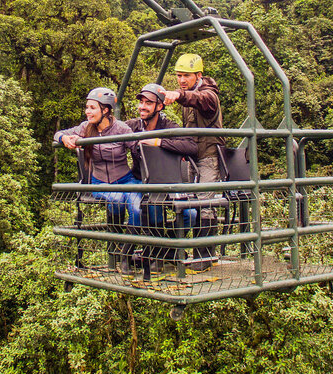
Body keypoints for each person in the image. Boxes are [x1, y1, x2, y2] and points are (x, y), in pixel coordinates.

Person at [54, 87, 144, 261]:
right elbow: (59, 133)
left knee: (136, 208)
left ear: (105, 110)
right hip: (100, 181)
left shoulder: (121, 129)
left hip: (125, 179)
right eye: (87, 107)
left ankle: (126, 253)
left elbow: (139, 148)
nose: (88, 111)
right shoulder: (86, 128)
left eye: (92, 108)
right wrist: (64, 139)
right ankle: (115, 249)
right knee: (116, 200)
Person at [125, 83, 198, 233]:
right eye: (141, 102)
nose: (142, 107)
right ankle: (156, 249)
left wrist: (159, 142)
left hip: (167, 180)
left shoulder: (168, 127)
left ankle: (169, 246)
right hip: (141, 180)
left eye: (148, 103)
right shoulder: (133, 126)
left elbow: (191, 146)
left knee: (190, 214)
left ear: (159, 107)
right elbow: (110, 130)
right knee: (152, 209)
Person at [162, 53, 225, 183]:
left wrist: (179, 95)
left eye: (187, 75)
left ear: (199, 75)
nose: (182, 80)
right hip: (192, 156)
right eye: (179, 75)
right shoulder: (186, 96)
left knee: (204, 200)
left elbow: (198, 98)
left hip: (208, 157)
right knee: (189, 199)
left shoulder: (209, 96)